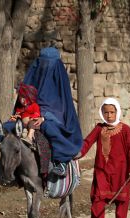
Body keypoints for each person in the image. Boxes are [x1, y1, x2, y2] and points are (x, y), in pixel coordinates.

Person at [75, 97, 130, 218]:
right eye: (106, 112)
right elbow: (87, 142)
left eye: (112, 112)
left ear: (117, 112)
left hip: (121, 171)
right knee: (98, 196)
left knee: (121, 199)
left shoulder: (125, 130)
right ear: (101, 113)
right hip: (102, 170)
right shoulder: (99, 128)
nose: (109, 115)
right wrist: (77, 153)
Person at [22, 47, 83, 176]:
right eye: (44, 63)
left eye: (49, 64)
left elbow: (61, 108)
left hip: (54, 119)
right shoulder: (33, 79)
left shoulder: (59, 81)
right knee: (8, 128)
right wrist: (26, 116)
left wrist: (44, 117)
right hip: (30, 116)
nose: (46, 68)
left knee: (48, 127)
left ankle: (61, 160)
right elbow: (23, 102)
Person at [10, 82, 40, 148]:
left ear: (30, 97)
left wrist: (32, 117)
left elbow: (37, 113)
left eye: (25, 98)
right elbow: (17, 114)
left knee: (33, 123)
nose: (23, 100)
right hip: (22, 124)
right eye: (21, 98)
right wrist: (15, 117)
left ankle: (29, 137)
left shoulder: (34, 105)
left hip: (31, 122)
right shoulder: (20, 107)